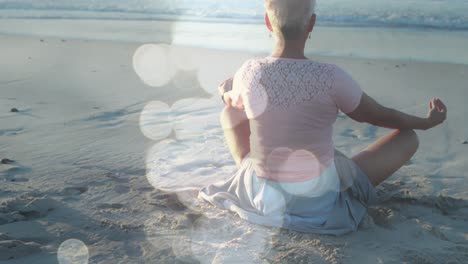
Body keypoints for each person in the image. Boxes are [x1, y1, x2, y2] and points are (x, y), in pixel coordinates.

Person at [199, 0, 447, 235]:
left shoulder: (249, 71)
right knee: (408, 138)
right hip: (317, 205)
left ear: (267, 22)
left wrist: (226, 92)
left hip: (264, 199)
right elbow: (380, 116)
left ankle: (249, 168)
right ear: (311, 24)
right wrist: (425, 123)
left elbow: (231, 100)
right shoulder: (331, 77)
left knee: (230, 112)